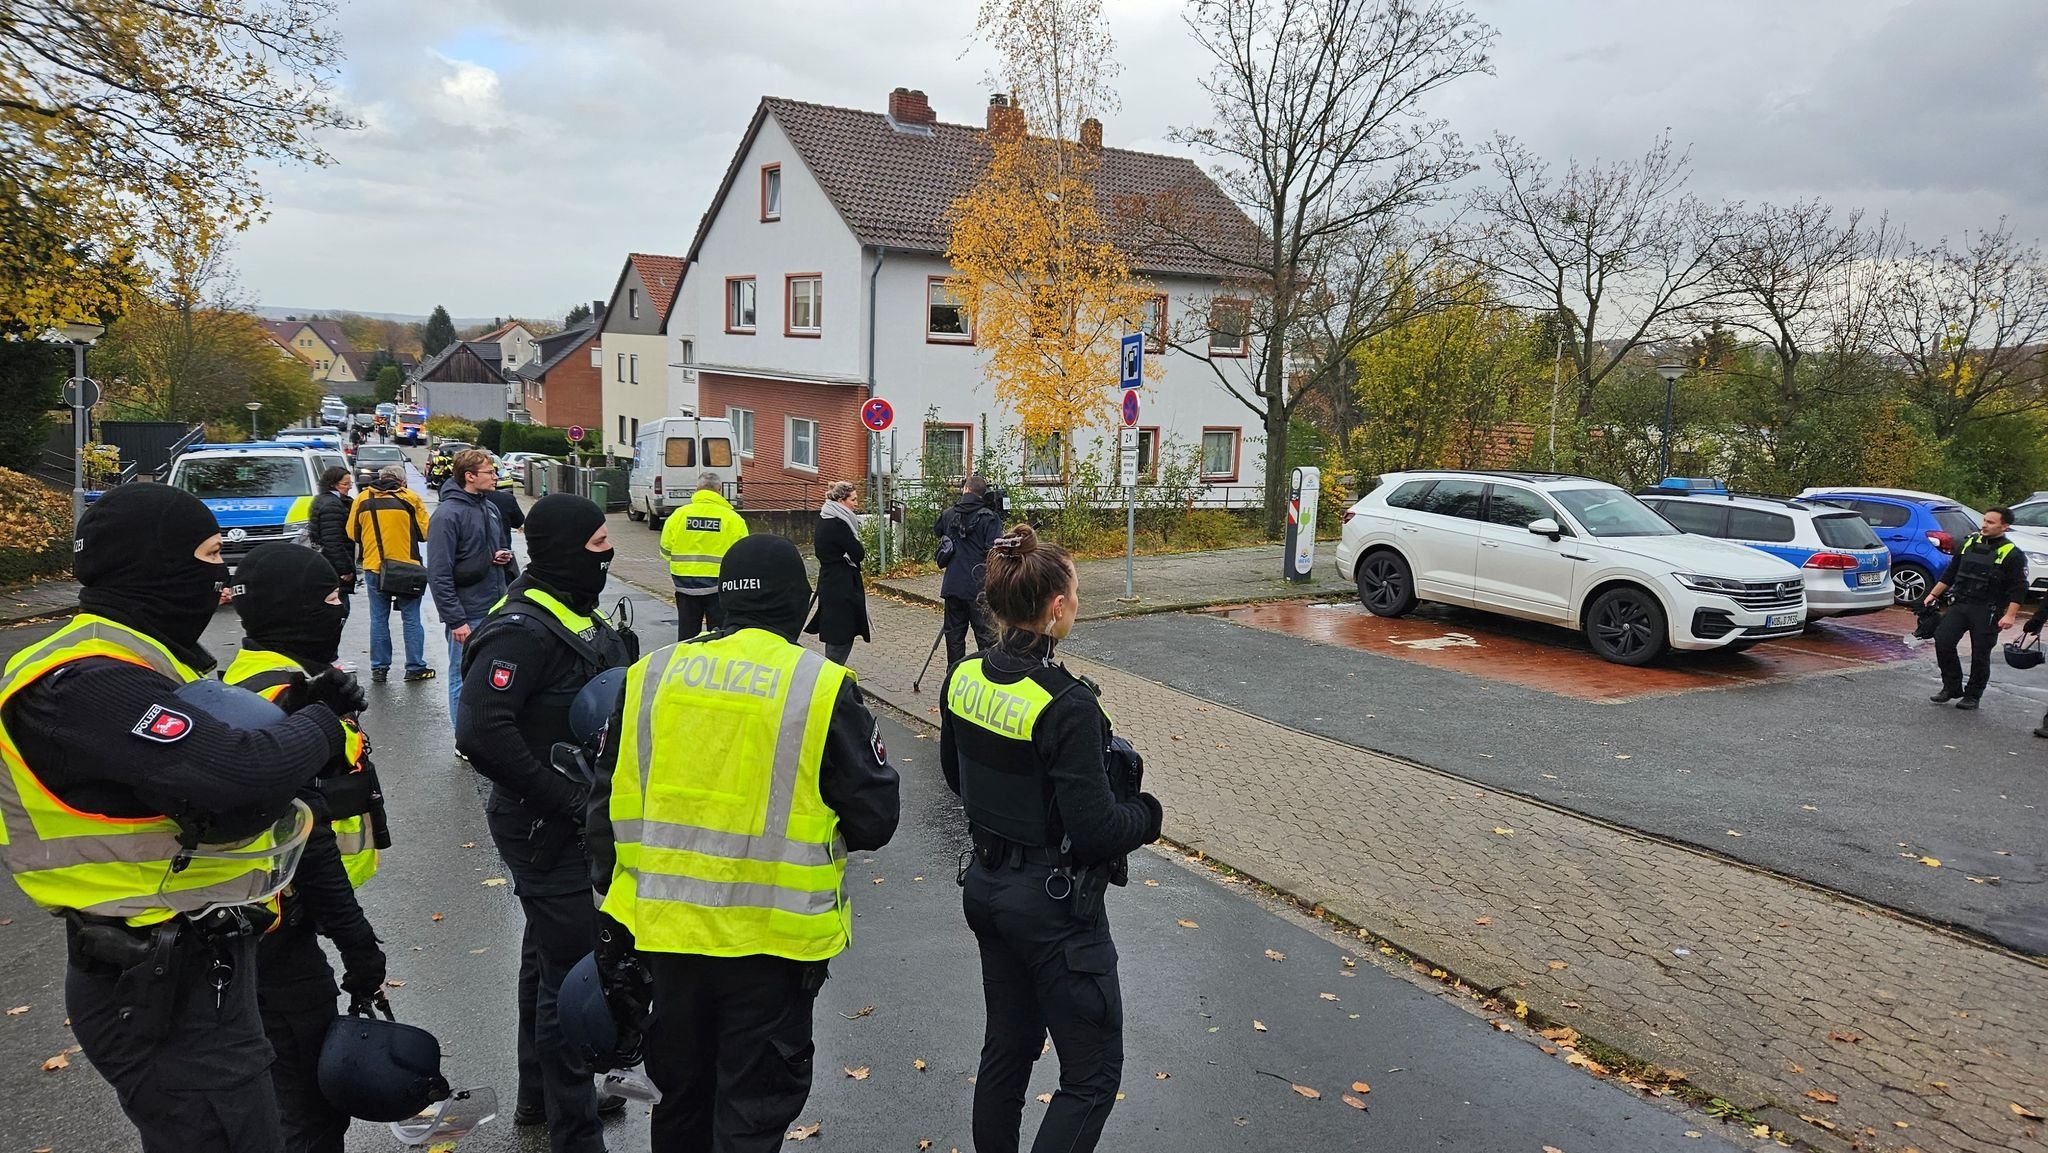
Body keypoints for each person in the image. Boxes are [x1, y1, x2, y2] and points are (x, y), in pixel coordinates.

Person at [0, 484, 362, 1153]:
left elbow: (198, 768)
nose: (223, 576)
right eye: (212, 553)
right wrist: (321, 720)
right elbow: (238, 773)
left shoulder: (146, 659)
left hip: (197, 960)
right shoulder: (83, 676)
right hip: (154, 978)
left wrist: (291, 716)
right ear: (156, 562)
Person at [589, 535, 900, 1150]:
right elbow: (874, 819)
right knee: (751, 1112)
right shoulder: (818, 686)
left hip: (664, 938)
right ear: (799, 603)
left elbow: (601, 812)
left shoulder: (650, 675)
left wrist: (615, 915)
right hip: (770, 948)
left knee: (679, 1101)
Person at [940, 525, 1163, 1153]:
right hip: (1056, 912)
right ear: (1057, 608)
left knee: (1006, 1055)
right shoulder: (1068, 704)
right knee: (1092, 1077)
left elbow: (957, 777)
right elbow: (1095, 831)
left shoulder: (962, 677)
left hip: (986, 889)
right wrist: (1148, 812)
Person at [457, 495, 636, 1152]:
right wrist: (567, 801)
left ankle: (540, 1094)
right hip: (545, 827)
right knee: (574, 970)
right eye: (597, 545)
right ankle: (574, 1132)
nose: (607, 556)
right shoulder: (520, 629)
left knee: (546, 955)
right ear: (562, 551)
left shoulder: (578, 616)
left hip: (569, 823)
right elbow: (481, 731)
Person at [223, 544, 390, 1153]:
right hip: (275, 931)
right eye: (327, 596)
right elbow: (309, 841)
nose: (340, 605)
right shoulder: (276, 702)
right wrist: (360, 946)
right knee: (307, 1111)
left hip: (283, 925)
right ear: (292, 607)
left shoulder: (266, 682)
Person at [430, 448, 511, 737]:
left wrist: (502, 556)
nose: (495, 477)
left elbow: (487, 550)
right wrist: (456, 621)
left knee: (492, 675)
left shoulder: (488, 507)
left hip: (495, 606)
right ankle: (463, 738)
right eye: (490, 472)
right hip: (468, 614)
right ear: (469, 476)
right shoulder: (447, 515)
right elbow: (438, 573)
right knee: (461, 677)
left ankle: (485, 731)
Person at [1923, 505, 2027, 710]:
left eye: (1990, 522)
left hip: (1988, 610)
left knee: (1980, 654)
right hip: (1961, 604)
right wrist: (1933, 594)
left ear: (2004, 526)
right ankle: (1952, 687)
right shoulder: (1969, 543)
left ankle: (1973, 695)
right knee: (1943, 641)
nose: (1984, 525)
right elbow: (1951, 572)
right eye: (1984, 520)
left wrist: (2010, 615)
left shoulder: (2012, 554)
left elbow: (2019, 588)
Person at [349, 466, 435, 684]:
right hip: (407, 569)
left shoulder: (362, 499)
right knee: (411, 618)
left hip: (375, 567)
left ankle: (379, 668)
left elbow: (351, 533)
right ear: (402, 481)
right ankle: (415, 667)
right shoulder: (410, 498)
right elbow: (426, 533)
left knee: (378, 619)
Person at [659, 471, 748, 640]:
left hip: (684, 585)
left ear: (697, 489)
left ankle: (685, 663)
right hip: (719, 587)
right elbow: (743, 556)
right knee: (718, 635)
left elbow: (665, 550)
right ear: (719, 490)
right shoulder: (733, 519)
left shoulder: (678, 515)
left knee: (687, 634)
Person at [936, 475, 1002, 667]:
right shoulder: (990, 518)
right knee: (986, 638)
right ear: (984, 494)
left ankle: (954, 676)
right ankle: (988, 676)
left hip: (952, 585)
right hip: (978, 587)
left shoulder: (949, 514)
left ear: (965, 490)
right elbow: (995, 550)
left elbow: (938, 530)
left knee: (954, 636)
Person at [805, 481, 870, 665]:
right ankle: (832, 675)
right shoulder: (839, 524)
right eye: (853, 499)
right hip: (841, 585)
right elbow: (858, 553)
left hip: (829, 581)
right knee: (841, 633)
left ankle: (831, 671)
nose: (856, 503)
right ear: (841, 500)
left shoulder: (824, 518)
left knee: (836, 630)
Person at [308, 466, 357, 626]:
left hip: (327, 564)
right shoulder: (333, 506)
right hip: (334, 569)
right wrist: (345, 569)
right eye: (345, 483)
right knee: (338, 613)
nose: (350, 486)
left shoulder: (322, 500)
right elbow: (333, 541)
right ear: (333, 484)